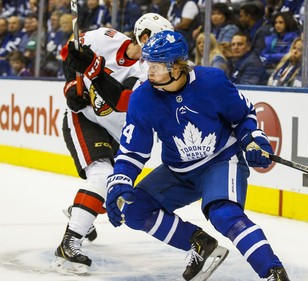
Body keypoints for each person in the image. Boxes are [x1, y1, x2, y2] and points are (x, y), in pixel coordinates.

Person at [105, 30, 291, 281]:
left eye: (158, 66)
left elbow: (244, 116)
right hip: (179, 171)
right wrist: (121, 179)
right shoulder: (142, 97)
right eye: (149, 64)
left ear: (177, 66)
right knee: (134, 209)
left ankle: (272, 272)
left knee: (223, 213)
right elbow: (133, 149)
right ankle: (199, 243)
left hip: (221, 160)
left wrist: (254, 139)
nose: (150, 72)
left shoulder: (211, 81)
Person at [51, 13, 174, 274]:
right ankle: (69, 243)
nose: (165, 52)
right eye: (160, 42)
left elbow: (122, 100)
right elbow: (69, 53)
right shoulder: (102, 38)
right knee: (102, 175)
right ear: (143, 37)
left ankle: (80, 212)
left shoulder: (147, 72)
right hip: (85, 118)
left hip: (118, 134)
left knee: (112, 195)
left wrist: (92, 70)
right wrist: (71, 85)